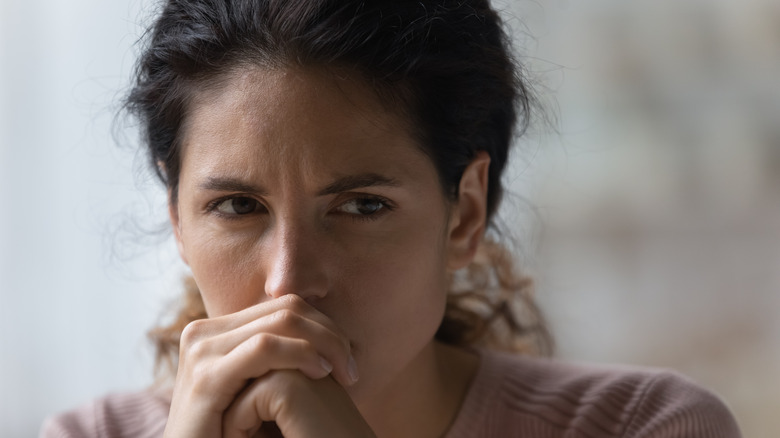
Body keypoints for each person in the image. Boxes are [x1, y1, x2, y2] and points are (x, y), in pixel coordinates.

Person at [41, 0, 742, 437]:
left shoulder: (646, 427)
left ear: (463, 213)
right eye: (236, 207)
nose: (289, 283)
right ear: (176, 219)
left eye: (361, 206)